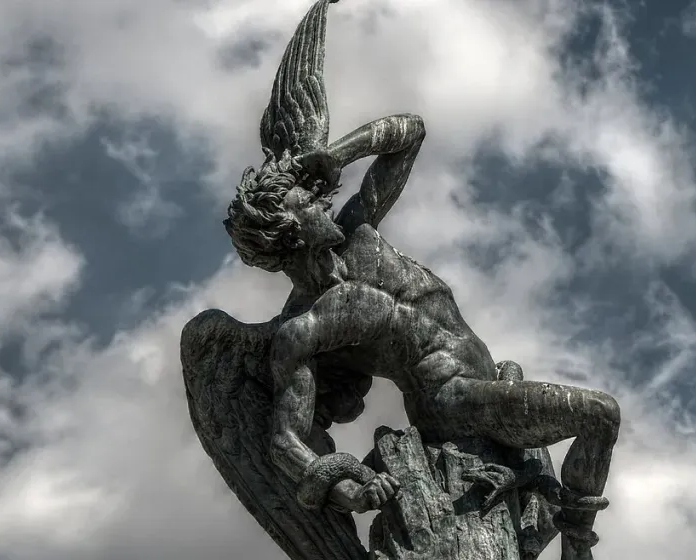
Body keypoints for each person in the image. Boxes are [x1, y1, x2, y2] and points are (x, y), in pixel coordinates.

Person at [224, 112, 618, 559]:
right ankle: (578, 545)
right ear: (288, 232)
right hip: (454, 400)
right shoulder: (303, 328)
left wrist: (337, 154)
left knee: (559, 408)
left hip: (491, 382)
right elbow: (286, 438)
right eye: (308, 206)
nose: (322, 204)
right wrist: (344, 486)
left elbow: (411, 133)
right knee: (599, 413)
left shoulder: (358, 233)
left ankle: (550, 514)